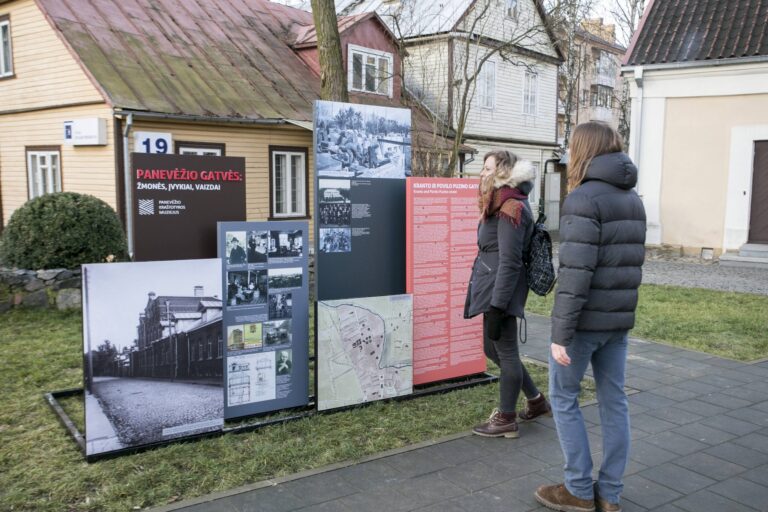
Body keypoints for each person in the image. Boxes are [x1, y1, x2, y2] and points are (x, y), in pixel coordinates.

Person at [535, 122, 646, 512]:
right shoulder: (633, 198)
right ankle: (610, 496)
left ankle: (579, 490)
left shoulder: (583, 199)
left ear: (583, 150)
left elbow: (576, 274)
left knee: (564, 398)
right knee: (614, 401)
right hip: (617, 323)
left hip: (583, 325)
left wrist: (560, 334)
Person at [464, 149, 551, 439]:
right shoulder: (500, 202)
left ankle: (506, 418)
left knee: (506, 353)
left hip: (501, 291)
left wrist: (499, 306)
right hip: (492, 286)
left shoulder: (510, 207)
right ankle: (536, 401)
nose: (483, 174)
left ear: (503, 173)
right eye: (483, 169)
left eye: (488, 169)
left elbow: (511, 261)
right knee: (492, 349)